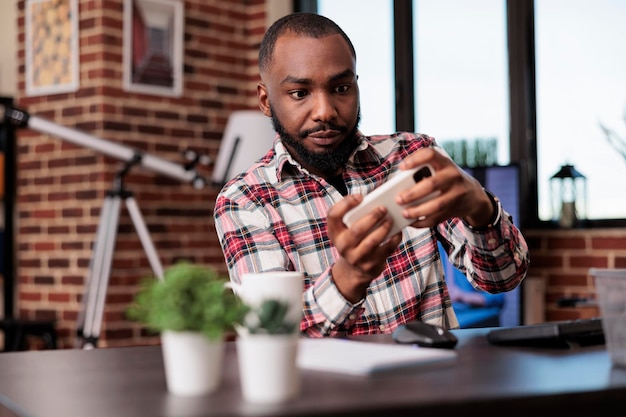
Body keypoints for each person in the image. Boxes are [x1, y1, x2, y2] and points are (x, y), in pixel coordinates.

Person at [213, 12, 529, 337]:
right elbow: (274, 339)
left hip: (435, 382)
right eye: (300, 93)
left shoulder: (414, 157)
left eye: (341, 88)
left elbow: (502, 278)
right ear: (266, 100)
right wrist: (350, 277)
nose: (325, 111)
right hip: (326, 389)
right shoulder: (244, 201)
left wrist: (479, 206)